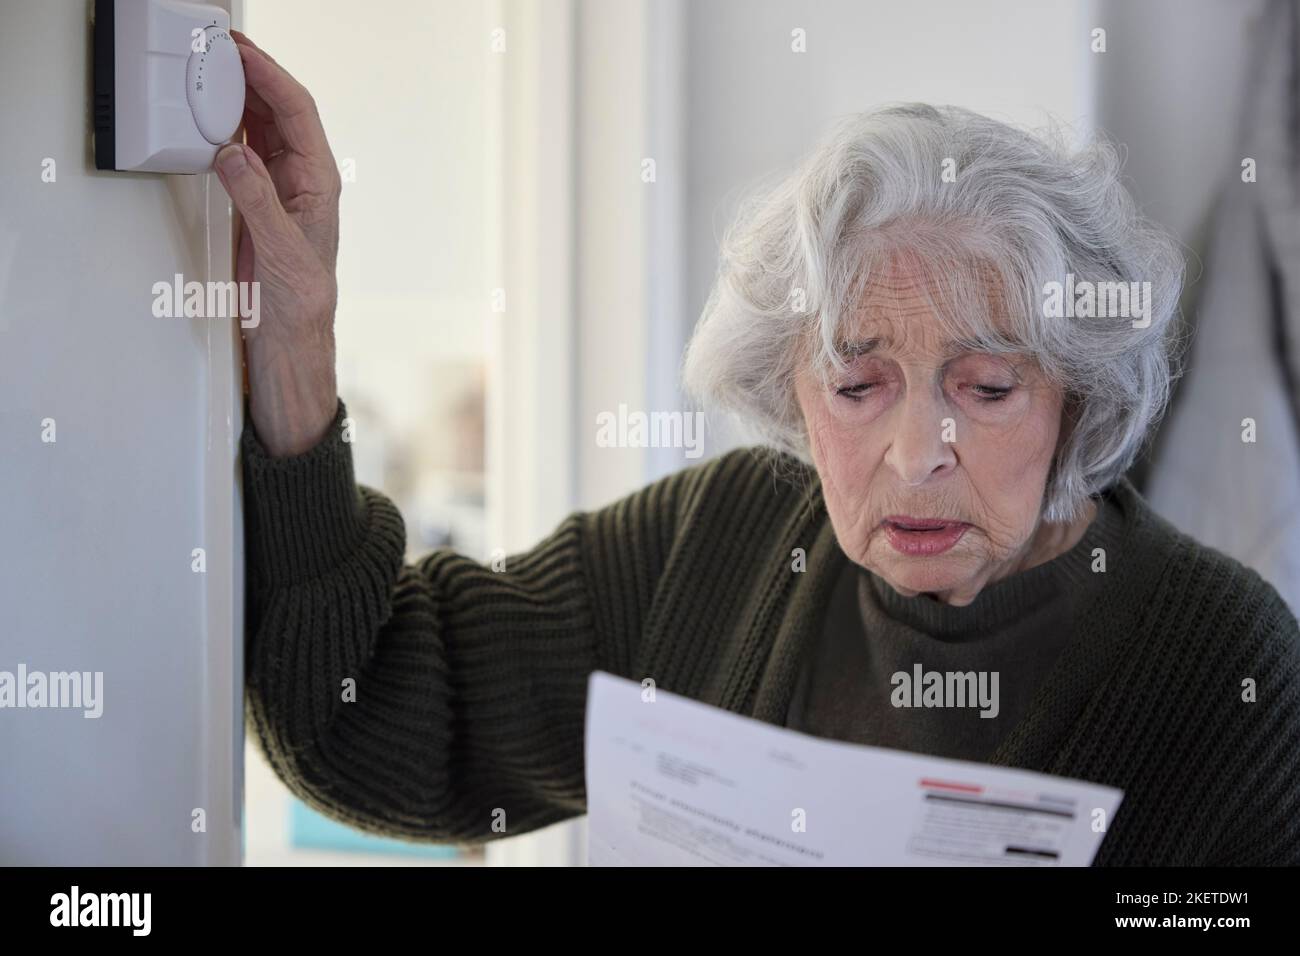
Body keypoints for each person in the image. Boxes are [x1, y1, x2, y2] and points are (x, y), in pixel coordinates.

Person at [222, 31, 1300, 866]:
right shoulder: (720, 540)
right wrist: (299, 352)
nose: (916, 450)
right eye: (856, 383)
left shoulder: (1221, 661)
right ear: (787, 395)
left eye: (985, 385)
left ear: (1076, 393)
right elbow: (354, 717)